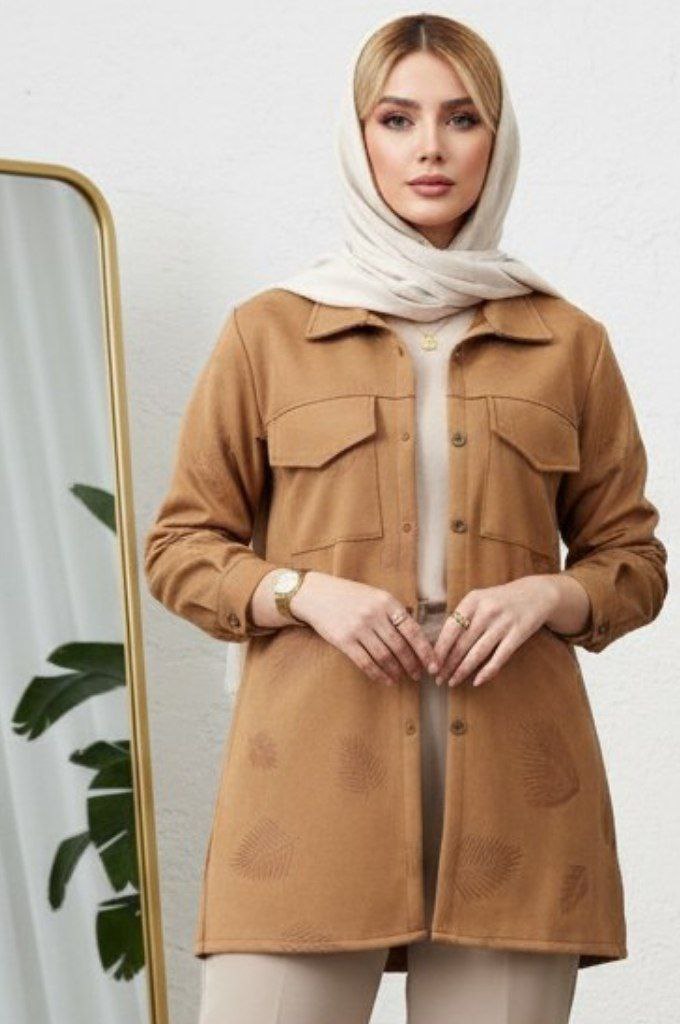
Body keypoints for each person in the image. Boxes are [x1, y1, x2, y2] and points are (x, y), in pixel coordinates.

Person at [143, 13, 668, 1024]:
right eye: (397, 119)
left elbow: (632, 560)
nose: (430, 147)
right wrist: (301, 591)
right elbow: (180, 548)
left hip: (518, 788)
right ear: (359, 140)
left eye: (461, 119)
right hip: (307, 783)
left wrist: (550, 594)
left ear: (496, 141)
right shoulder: (268, 333)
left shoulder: (568, 343)